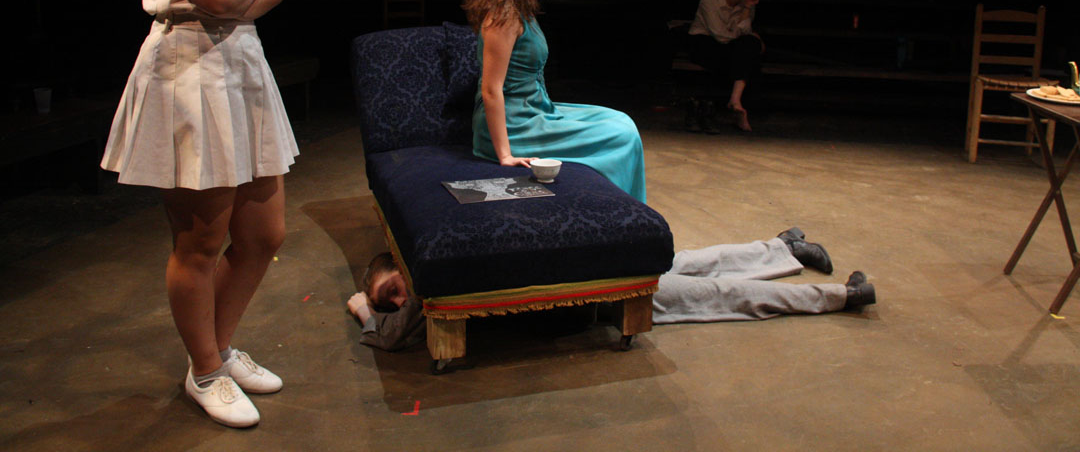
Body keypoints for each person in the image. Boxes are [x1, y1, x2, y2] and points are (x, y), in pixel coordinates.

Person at [100, 0, 297, 428]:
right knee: (202, 240)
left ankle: (218, 347)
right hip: (190, 69)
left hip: (242, 63)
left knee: (265, 232)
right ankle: (206, 370)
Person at [346, 229, 876, 348]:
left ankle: (785, 249)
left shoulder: (435, 271)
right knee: (718, 290)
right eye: (391, 302)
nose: (401, 302)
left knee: (699, 269)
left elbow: (388, 334)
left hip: (601, 283)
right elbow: (390, 335)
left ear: (402, 264)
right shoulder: (429, 294)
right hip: (601, 300)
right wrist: (367, 309)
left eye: (394, 288)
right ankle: (840, 294)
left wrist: (365, 308)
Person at [461, 0, 647, 203]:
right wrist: (505, 155)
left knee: (621, 121)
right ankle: (614, 210)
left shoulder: (522, 9)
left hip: (536, 111)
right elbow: (490, 89)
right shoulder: (503, 16)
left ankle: (623, 212)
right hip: (515, 125)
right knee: (620, 135)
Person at [687, 0, 764, 133]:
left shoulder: (747, 3)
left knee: (750, 45)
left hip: (728, 46)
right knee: (748, 53)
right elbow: (721, 35)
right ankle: (708, 110)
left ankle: (735, 100)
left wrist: (747, 9)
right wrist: (751, 37)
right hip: (704, 43)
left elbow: (744, 32)